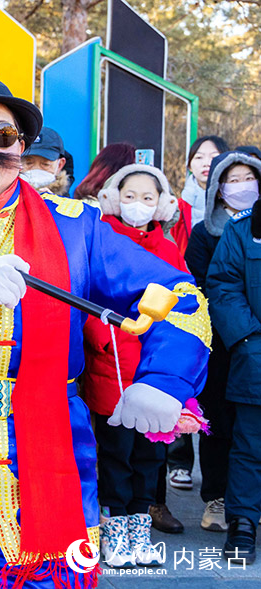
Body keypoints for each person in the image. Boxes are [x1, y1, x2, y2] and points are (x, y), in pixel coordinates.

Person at [0, 72, 210, 588]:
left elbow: (181, 295)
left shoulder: (77, 225)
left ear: (21, 148)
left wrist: (164, 378)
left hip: (51, 465)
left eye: (2, 136)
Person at [82, 164, 187, 567]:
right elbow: (88, 297)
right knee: (115, 455)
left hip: (153, 373)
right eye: (130, 196)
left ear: (161, 204)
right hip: (112, 366)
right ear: (113, 197)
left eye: (148, 198)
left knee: (150, 456)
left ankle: (140, 527)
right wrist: (100, 335)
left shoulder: (168, 248)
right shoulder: (102, 238)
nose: (138, 205)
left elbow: (184, 306)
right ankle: (114, 527)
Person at [184, 151, 258, 535]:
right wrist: (241, 332)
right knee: (221, 426)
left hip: (252, 345)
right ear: (218, 188)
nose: (242, 186)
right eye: (233, 179)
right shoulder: (205, 232)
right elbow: (204, 285)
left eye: (249, 177)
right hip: (223, 342)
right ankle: (218, 496)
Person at [206, 152, 261, 564]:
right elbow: (222, 284)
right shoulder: (244, 230)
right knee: (249, 445)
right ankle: (243, 523)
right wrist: (248, 339)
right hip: (255, 356)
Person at [20, 127, 70, 197]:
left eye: (45, 164)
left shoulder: (69, 205)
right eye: (29, 163)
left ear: (60, 165)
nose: (36, 169)